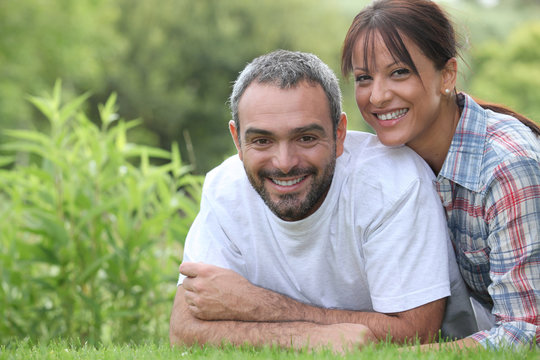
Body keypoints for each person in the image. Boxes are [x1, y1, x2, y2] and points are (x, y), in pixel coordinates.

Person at [169, 49, 478, 353]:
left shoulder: (394, 183)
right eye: (262, 140)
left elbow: (415, 332)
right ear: (237, 140)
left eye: (306, 138)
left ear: (339, 134)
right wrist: (310, 339)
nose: (285, 162)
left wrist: (255, 304)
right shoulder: (224, 188)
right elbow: (184, 329)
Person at [340, 0, 540, 350]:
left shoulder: (506, 167)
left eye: (399, 72)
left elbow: (527, 332)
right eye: (364, 78)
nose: (378, 96)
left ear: (447, 75)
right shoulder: (387, 163)